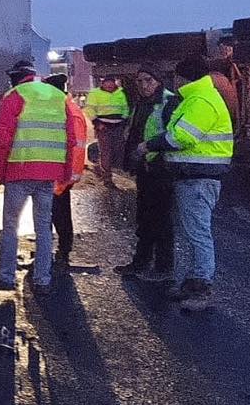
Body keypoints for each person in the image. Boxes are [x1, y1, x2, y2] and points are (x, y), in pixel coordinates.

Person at [137, 55, 234, 311]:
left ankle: (202, 288)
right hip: (193, 177)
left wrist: (150, 145)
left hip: (198, 178)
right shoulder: (196, 98)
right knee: (193, 232)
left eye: (177, 76)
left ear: (183, 77)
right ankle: (193, 282)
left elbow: (181, 137)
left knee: (199, 234)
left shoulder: (200, 100)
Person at [0, 60, 70, 295]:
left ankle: (6, 277)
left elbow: (3, 139)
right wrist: (65, 172)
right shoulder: (57, 96)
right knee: (43, 227)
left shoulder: (14, 96)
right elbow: (71, 135)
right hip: (49, 171)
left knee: (10, 226)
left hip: (20, 170)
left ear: (15, 77)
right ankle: (43, 279)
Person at [115, 64, 177, 282]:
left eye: (148, 80)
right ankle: (140, 262)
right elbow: (134, 132)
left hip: (162, 169)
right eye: (140, 81)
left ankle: (163, 267)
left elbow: (172, 137)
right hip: (145, 169)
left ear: (158, 81)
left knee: (161, 220)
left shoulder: (168, 102)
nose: (143, 85)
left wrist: (150, 151)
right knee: (144, 218)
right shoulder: (141, 103)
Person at [44, 73, 88, 267]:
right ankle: (56, 249)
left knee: (59, 213)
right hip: (54, 172)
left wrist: (68, 178)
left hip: (60, 175)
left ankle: (63, 250)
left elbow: (77, 148)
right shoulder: (61, 108)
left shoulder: (68, 111)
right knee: (53, 212)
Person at [86, 74, 130, 182]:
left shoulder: (120, 93)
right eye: (107, 82)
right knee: (106, 151)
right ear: (103, 83)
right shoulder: (95, 93)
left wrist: (124, 120)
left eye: (111, 82)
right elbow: (90, 109)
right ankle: (106, 176)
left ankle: (113, 170)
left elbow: (125, 107)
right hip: (103, 127)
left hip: (118, 126)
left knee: (117, 150)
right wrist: (97, 123)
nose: (109, 85)